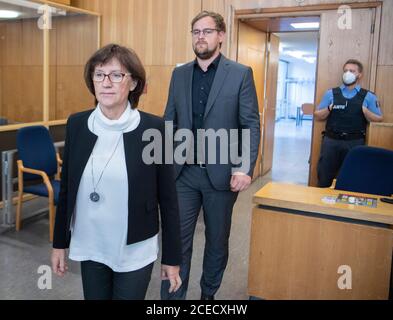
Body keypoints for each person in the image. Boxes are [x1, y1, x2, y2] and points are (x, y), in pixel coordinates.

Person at [51, 44, 182, 300]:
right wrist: (59, 244)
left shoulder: (154, 129)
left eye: (117, 75)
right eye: (99, 74)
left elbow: (168, 200)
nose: (106, 82)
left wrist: (172, 257)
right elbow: (66, 189)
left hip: (133, 247)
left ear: (133, 83)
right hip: (90, 242)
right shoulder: (77, 124)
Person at [161, 11, 260, 300]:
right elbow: (170, 121)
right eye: (195, 31)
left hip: (222, 175)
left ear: (221, 35)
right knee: (177, 242)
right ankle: (171, 301)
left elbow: (250, 124)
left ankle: (208, 297)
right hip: (183, 173)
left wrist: (244, 167)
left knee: (217, 242)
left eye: (206, 31)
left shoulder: (240, 74)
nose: (200, 36)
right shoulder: (179, 74)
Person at [314, 59, 383, 188]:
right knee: (324, 176)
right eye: (345, 70)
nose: (348, 73)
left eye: (352, 71)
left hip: (354, 142)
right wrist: (329, 108)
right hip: (331, 141)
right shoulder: (331, 93)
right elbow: (317, 115)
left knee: (351, 177)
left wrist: (365, 111)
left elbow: (379, 119)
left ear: (359, 75)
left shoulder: (368, 96)